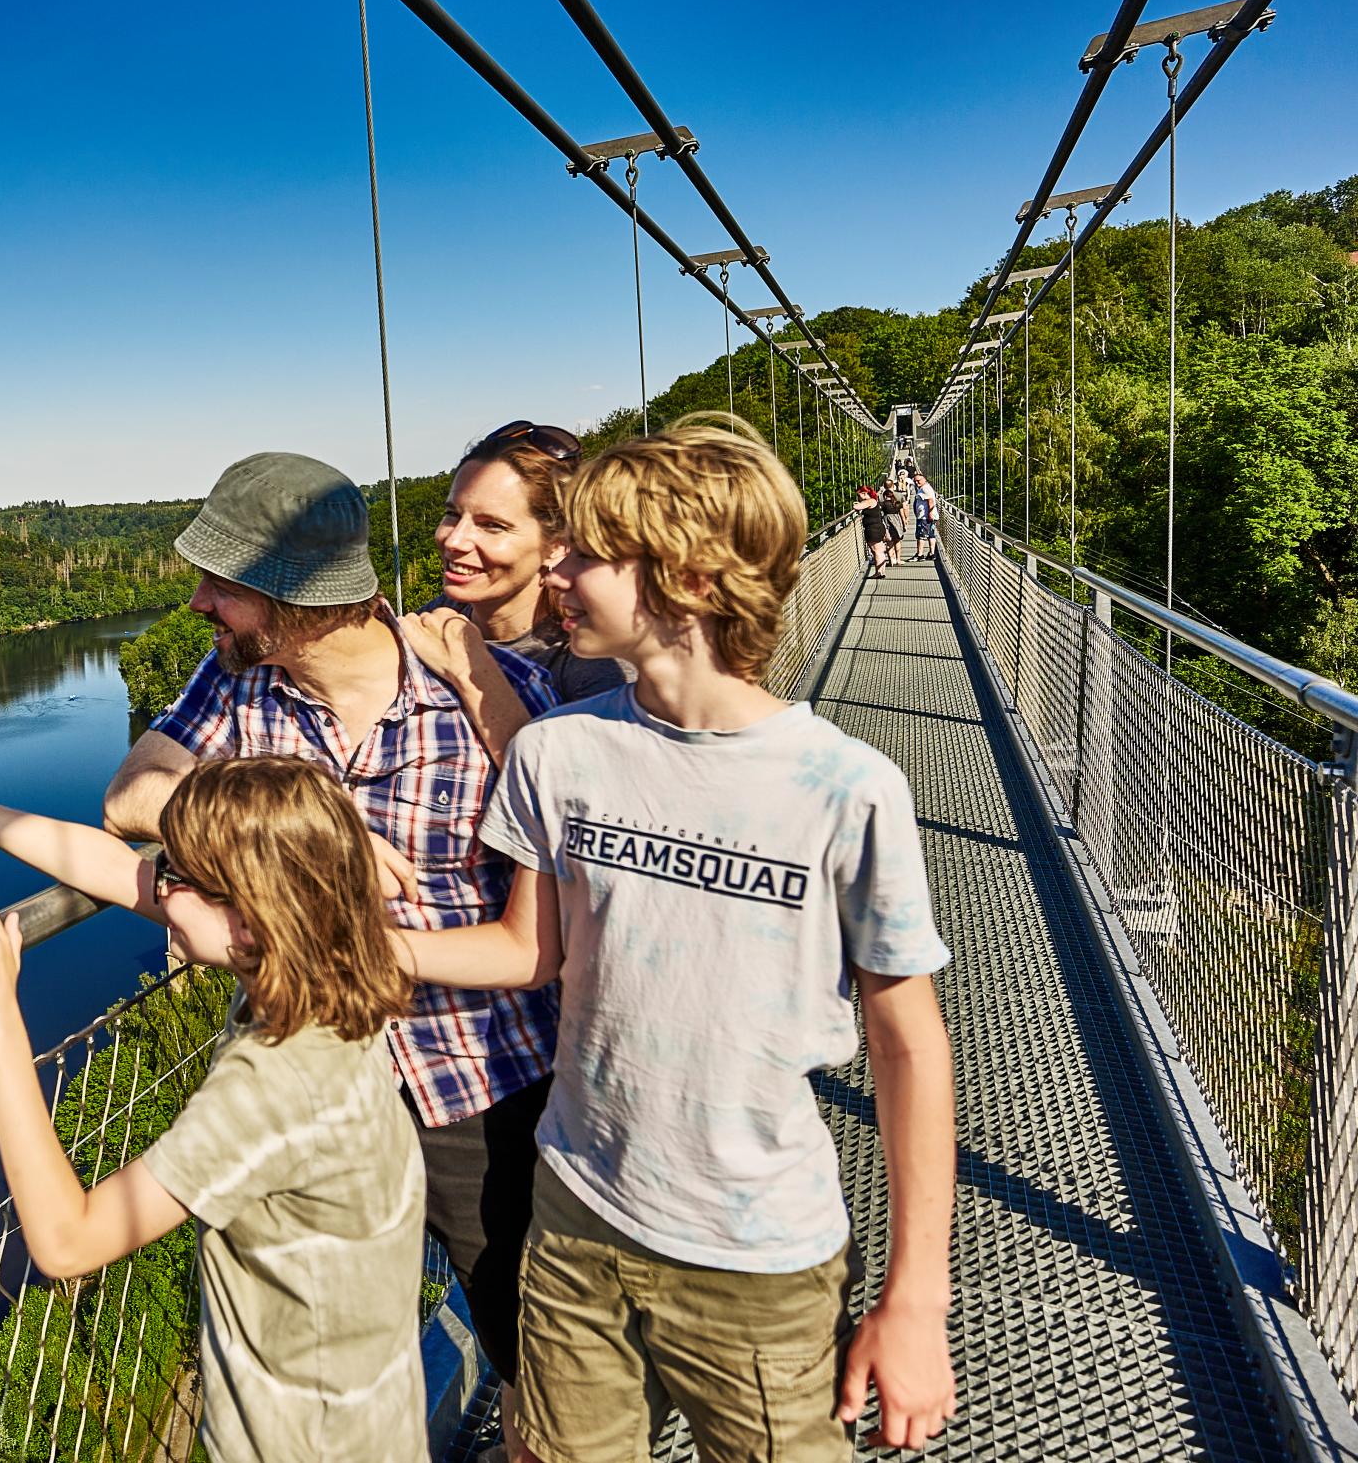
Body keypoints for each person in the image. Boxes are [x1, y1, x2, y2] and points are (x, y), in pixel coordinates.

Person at [396, 417, 957, 1463]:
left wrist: (914, 1296)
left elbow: (909, 1046)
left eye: (588, 553)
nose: (554, 568)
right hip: (572, 1216)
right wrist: (344, 945)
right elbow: (528, 952)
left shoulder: (845, 788)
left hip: (757, 1255)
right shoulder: (558, 754)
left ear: (691, 578)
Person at [102, 450, 555, 1451]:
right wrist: (316, 832)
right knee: (318, 1375)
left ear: (296, 600)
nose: (196, 603)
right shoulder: (234, 686)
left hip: (476, 1088)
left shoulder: (494, 695)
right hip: (308, 1078)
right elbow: (130, 794)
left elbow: (571, 868)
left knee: (536, 1367)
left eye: (220, 583)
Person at [0, 758, 428, 1463]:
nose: (158, 889)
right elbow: (109, 865)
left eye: (175, 877)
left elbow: (66, 1243)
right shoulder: (333, 973)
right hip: (372, 1415)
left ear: (253, 917)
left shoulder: (276, 1083)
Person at [425, 420, 627, 704]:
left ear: (557, 547)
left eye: (492, 525)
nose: (454, 541)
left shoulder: (592, 665)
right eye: (453, 514)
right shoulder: (439, 616)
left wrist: (470, 673)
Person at [858, 483, 895, 578]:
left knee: (877, 551)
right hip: (878, 528)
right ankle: (881, 572)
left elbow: (856, 507)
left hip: (873, 529)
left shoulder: (870, 501)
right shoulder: (874, 500)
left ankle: (879, 573)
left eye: (859, 495)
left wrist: (857, 504)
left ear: (865, 493)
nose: (859, 498)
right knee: (880, 551)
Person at [909, 473, 940, 563]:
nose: (917, 482)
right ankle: (932, 553)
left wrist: (929, 513)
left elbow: (930, 501)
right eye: (915, 481)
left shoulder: (925, 489)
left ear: (924, 479)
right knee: (931, 534)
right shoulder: (924, 488)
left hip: (925, 517)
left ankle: (920, 555)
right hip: (927, 516)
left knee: (921, 536)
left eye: (919, 480)